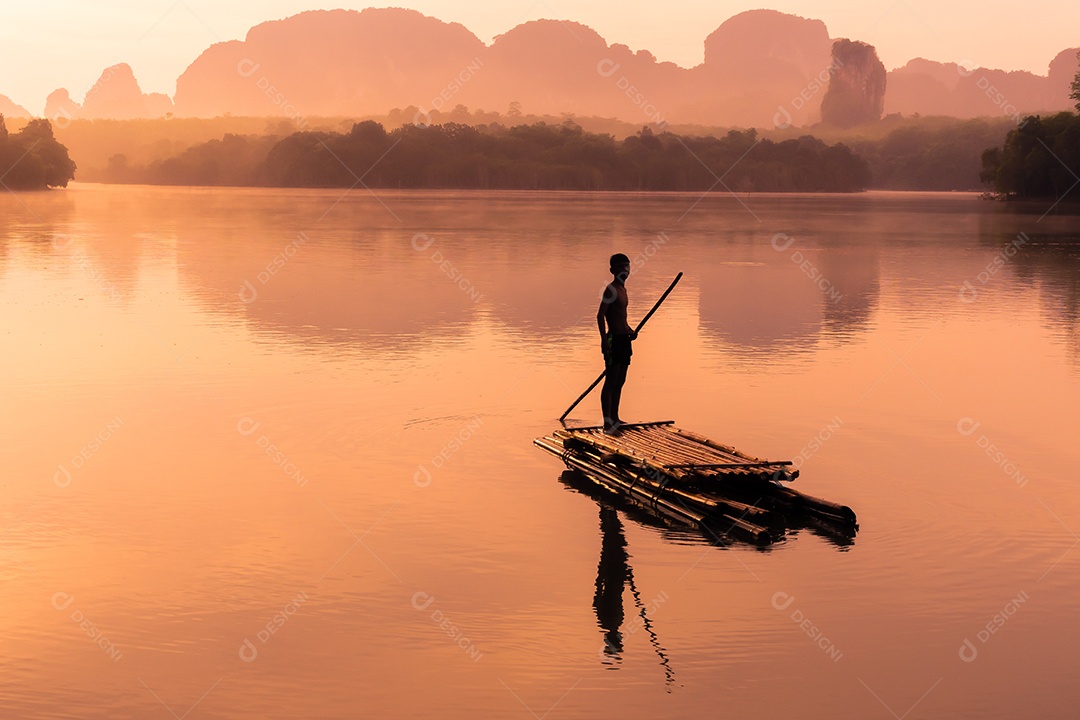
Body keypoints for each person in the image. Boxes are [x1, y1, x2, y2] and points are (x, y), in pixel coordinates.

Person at [597, 253, 636, 434]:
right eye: (619, 267)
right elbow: (601, 315)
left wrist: (629, 330)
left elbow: (621, 317)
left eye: (626, 267)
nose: (623, 270)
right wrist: (604, 340)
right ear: (612, 270)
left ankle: (615, 417)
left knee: (621, 380)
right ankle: (607, 423)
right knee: (611, 381)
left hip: (623, 340)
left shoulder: (623, 290)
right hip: (613, 339)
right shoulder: (611, 289)